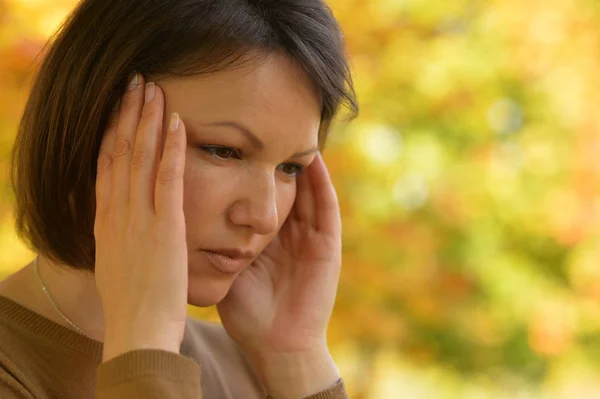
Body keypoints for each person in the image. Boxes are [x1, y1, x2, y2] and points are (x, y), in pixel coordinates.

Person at [0, 0, 358, 398]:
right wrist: (143, 351)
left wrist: (296, 358)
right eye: (224, 150)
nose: (264, 215)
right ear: (93, 127)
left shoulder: (253, 369)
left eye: (290, 167)